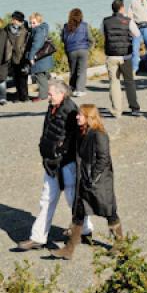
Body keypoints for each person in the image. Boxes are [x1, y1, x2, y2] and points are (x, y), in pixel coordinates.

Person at [17, 79, 93, 251]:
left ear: (61, 93)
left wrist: (62, 151)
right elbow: (47, 130)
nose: (48, 96)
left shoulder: (71, 109)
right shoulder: (53, 106)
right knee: (46, 200)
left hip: (66, 163)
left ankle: (86, 229)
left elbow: (76, 138)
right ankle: (37, 237)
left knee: (72, 199)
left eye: (51, 93)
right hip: (51, 162)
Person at [53, 104, 122, 259]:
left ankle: (120, 244)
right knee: (79, 213)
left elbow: (103, 159)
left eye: (80, 115)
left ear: (89, 117)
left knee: (109, 212)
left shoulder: (99, 135)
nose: (77, 117)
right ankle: (69, 249)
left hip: (99, 182)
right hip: (83, 179)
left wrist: (93, 178)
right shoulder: (81, 132)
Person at [102, 0, 141, 119]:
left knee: (114, 83)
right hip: (125, 56)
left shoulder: (105, 21)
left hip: (111, 56)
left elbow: (102, 33)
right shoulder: (128, 21)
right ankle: (134, 108)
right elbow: (137, 34)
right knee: (129, 82)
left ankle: (117, 110)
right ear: (122, 8)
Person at [61, 8, 94, 97]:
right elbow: (91, 39)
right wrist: (89, 49)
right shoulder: (85, 25)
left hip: (71, 50)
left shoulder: (65, 26)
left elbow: (63, 39)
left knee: (73, 71)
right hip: (83, 50)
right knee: (82, 71)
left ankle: (72, 88)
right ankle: (80, 90)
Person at [0, 11, 29, 104]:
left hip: (22, 56)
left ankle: (24, 96)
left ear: (17, 20)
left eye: (13, 19)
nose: (12, 20)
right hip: (9, 56)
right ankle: (18, 96)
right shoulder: (7, 29)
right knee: (15, 77)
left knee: (23, 77)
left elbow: (27, 43)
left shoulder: (25, 30)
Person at [27, 12, 54, 103]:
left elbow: (36, 45)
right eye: (30, 22)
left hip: (38, 58)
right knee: (44, 75)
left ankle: (43, 96)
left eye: (34, 23)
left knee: (40, 77)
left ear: (39, 22)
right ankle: (49, 92)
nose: (31, 25)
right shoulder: (43, 29)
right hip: (44, 56)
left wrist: (31, 57)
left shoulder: (38, 31)